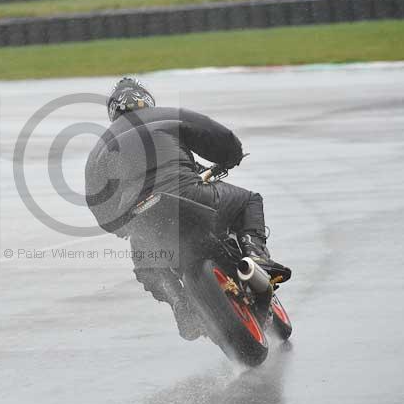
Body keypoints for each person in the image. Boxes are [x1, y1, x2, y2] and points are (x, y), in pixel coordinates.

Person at [84, 76, 290, 340]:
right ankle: (256, 257)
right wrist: (231, 156)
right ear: (146, 101)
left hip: (140, 216)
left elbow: (96, 200)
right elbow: (216, 135)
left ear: (113, 111)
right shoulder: (163, 115)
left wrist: (120, 226)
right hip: (186, 193)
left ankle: (179, 302)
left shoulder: (100, 148)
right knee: (249, 200)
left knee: (147, 263)